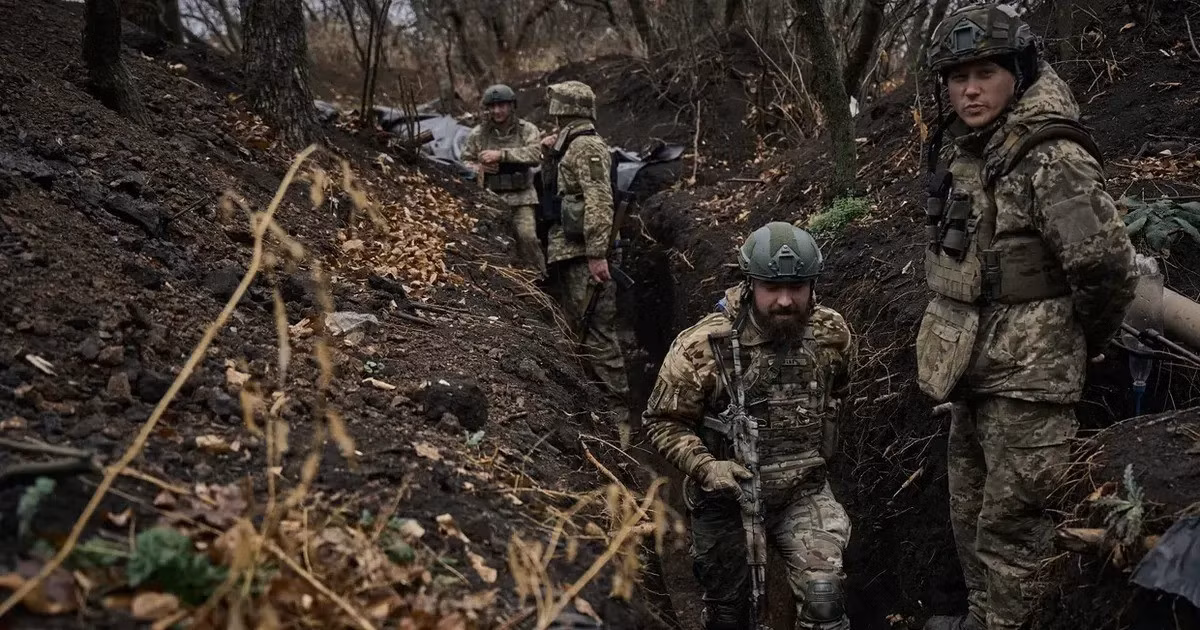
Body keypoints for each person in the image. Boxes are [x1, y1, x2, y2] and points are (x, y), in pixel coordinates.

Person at [917, 5, 1137, 629]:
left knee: (1015, 536)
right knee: (969, 519)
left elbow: (1104, 267)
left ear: (1017, 71)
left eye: (984, 72)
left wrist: (1077, 340)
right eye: (957, 77)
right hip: (970, 370)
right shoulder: (970, 147)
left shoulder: (1051, 155)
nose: (970, 89)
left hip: (1032, 380)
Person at [643, 222, 854, 630]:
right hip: (727, 500)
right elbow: (662, 421)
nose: (785, 301)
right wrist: (708, 466)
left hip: (802, 492)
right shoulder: (702, 346)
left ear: (813, 286)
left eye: (797, 288)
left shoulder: (832, 334)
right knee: (728, 616)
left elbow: (839, 391)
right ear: (750, 283)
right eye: (772, 288)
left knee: (824, 599)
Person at [541, 80, 630, 418]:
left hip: (585, 257)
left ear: (562, 111)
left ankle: (619, 417)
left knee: (600, 337)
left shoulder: (586, 147)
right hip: (570, 254)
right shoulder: (569, 146)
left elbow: (599, 201)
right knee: (579, 333)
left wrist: (597, 254)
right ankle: (596, 409)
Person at [461, 84, 547, 277]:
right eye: (492, 106)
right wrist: (479, 168)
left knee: (527, 237)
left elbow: (534, 154)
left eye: (502, 105)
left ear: (511, 106)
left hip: (522, 197)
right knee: (494, 244)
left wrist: (501, 155)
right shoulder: (478, 134)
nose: (497, 111)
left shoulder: (527, 130)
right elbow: (464, 162)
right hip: (490, 198)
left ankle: (538, 278)